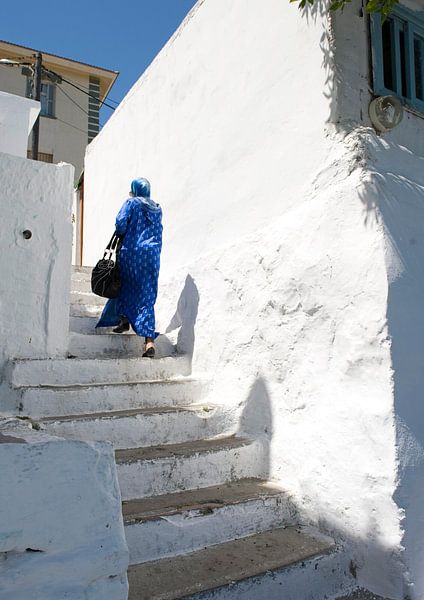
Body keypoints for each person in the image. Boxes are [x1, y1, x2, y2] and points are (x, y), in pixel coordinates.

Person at [96, 177, 163, 358]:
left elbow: (120, 224)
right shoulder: (157, 208)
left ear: (134, 189)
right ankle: (149, 341)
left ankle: (124, 319)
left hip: (131, 252)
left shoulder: (131, 203)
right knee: (147, 294)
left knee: (124, 285)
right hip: (152, 257)